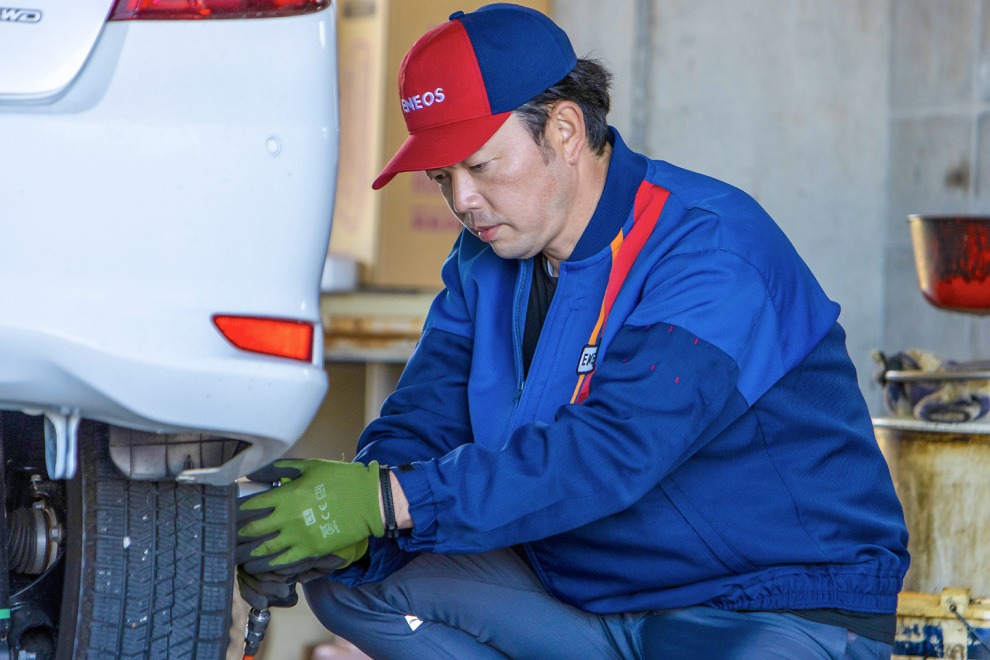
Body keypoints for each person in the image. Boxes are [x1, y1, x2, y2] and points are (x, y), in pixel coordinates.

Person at [235, 4, 910, 659]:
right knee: (357, 582)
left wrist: (391, 502)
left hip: (765, 604)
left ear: (562, 130)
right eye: (443, 177)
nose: (462, 200)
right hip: (588, 600)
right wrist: (350, 526)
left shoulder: (709, 249)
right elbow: (424, 419)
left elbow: (613, 452)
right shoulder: (484, 262)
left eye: (479, 165)